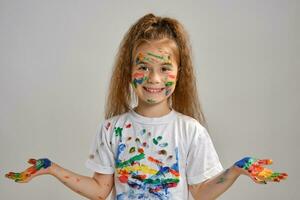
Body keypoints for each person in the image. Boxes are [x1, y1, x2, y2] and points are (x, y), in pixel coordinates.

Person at [5, 13, 287, 200]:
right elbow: (101, 189)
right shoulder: (113, 129)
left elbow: (200, 191)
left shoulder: (190, 130)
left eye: (165, 68)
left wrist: (236, 170)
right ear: (129, 71)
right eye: (144, 67)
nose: (154, 79)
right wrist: (53, 169)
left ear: (180, 72)